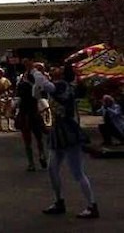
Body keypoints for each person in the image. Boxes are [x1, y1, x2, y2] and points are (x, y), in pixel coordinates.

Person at [32, 64, 99, 219]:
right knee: (52, 168)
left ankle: (91, 205)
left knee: (77, 172)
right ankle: (59, 201)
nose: (54, 69)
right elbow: (37, 94)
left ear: (63, 74)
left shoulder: (62, 85)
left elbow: (46, 87)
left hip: (67, 131)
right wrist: (37, 80)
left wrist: (36, 72)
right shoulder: (61, 85)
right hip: (59, 130)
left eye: (59, 68)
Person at [15, 62, 47, 172]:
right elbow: (41, 98)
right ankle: (42, 155)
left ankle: (31, 163)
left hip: (24, 113)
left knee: (27, 140)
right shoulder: (37, 87)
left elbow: (18, 100)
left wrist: (12, 109)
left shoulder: (21, 85)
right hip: (34, 112)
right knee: (39, 137)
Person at [0, 66, 14, 132]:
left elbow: (10, 88)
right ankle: (0, 125)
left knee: (8, 112)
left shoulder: (5, 80)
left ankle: (9, 125)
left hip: (5, 96)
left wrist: (9, 95)